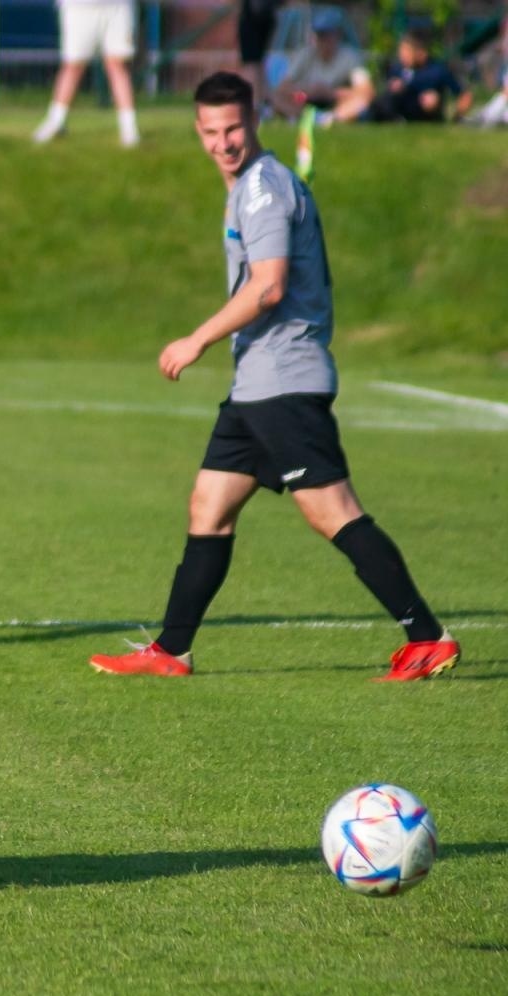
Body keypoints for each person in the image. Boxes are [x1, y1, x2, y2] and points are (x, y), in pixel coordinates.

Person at [88, 72, 459, 682]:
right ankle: (171, 650)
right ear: (198, 130)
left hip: (284, 381)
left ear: (254, 117)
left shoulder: (263, 188)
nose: (223, 142)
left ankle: (427, 637)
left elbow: (269, 285)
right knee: (209, 505)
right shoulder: (245, 187)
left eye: (233, 127)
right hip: (255, 387)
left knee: (332, 512)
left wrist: (197, 338)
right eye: (210, 131)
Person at [32, 0, 141, 146]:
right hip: (78, 7)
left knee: (117, 65)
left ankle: (129, 128)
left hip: (118, 6)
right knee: (73, 65)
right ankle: (56, 121)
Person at [270, 8, 374, 124]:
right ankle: (301, 117)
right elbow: (283, 87)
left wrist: (332, 93)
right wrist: (306, 91)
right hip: (304, 99)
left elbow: (366, 91)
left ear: (338, 35)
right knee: (278, 98)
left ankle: (330, 119)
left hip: (336, 101)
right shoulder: (305, 55)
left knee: (361, 102)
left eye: (327, 36)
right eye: (320, 36)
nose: (323, 41)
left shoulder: (349, 57)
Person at [360, 27, 473, 123]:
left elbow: (464, 95)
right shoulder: (397, 69)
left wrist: (455, 117)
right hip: (393, 112)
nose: (402, 55)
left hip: (423, 116)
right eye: (401, 51)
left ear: (421, 53)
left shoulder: (437, 71)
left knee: (430, 100)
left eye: (406, 51)